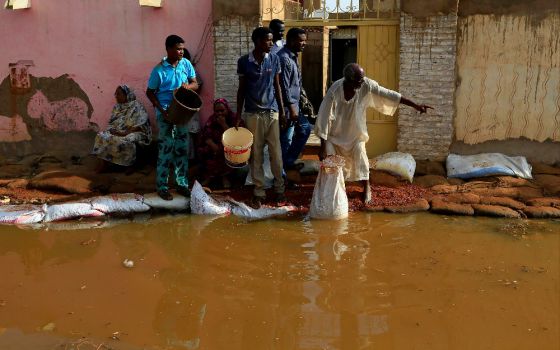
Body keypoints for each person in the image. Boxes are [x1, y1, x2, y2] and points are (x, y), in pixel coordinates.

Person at [315, 63, 432, 203]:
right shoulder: (334, 91)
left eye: (362, 79)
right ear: (348, 80)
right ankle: (336, 191)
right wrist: (322, 147)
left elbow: (389, 94)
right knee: (332, 163)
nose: (362, 82)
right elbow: (323, 118)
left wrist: (415, 105)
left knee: (362, 157)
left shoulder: (366, 84)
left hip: (355, 135)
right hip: (334, 136)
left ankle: (366, 188)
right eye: (359, 80)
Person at [236, 26, 286, 209]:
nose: (271, 43)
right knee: (256, 155)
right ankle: (259, 191)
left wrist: (283, 112)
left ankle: (279, 189)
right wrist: (237, 115)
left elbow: (277, 87)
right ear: (257, 41)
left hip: (272, 113)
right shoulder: (244, 62)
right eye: (268, 40)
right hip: (252, 114)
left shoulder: (274, 59)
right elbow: (241, 90)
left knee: (276, 154)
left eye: (272, 40)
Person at [146, 34, 198, 201]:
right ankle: (162, 187)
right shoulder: (159, 70)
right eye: (178, 49)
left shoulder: (186, 64)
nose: (181, 51)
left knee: (181, 150)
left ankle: (182, 185)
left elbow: (195, 84)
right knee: (166, 151)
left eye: (182, 48)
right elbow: (150, 92)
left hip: (182, 113)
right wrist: (162, 110)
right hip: (166, 115)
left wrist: (187, 86)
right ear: (168, 49)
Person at [92, 85, 151, 172]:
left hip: (135, 132)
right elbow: (112, 122)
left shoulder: (137, 106)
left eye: (119, 94)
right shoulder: (117, 107)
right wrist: (112, 130)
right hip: (119, 131)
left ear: (127, 95)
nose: (116, 96)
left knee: (128, 139)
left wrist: (125, 133)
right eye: (116, 94)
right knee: (101, 136)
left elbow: (141, 124)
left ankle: (130, 165)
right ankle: (104, 164)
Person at [277, 27, 311, 175]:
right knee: (286, 139)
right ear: (291, 40)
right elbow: (283, 86)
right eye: (301, 41)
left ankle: (287, 163)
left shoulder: (292, 56)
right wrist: (291, 109)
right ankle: (283, 171)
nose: (304, 43)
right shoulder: (284, 58)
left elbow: (296, 83)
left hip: (294, 106)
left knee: (303, 130)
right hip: (286, 108)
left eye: (305, 41)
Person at [197, 98, 243, 188]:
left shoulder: (234, 119)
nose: (219, 113)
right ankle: (209, 176)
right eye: (217, 111)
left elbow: (235, 138)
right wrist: (212, 145)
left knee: (226, 151)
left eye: (222, 110)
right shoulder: (212, 119)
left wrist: (223, 124)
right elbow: (206, 136)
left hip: (229, 146)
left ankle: (225, 177)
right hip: (215, 146)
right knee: (204, 150)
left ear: (227, 109)